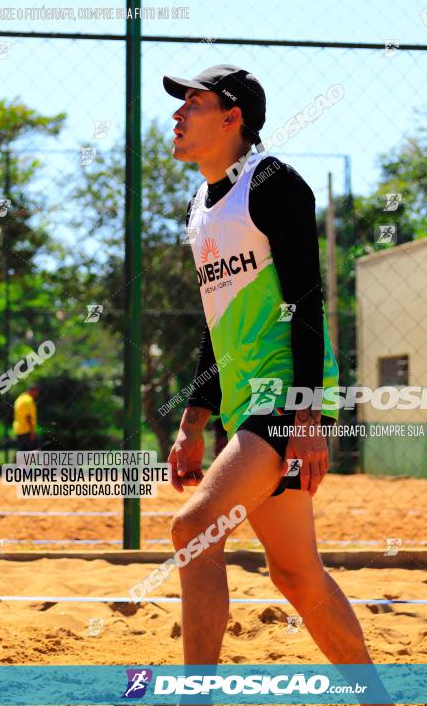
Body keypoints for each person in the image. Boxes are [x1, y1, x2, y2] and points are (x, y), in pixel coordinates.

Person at [162, 64, 393, 703]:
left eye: (194, 104)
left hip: (284, 395)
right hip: (246, 402)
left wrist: (308, 419)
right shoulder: (200, 205)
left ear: (233, 116)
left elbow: (307, 301)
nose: (178, 115)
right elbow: (218, 320)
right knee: (296, 574)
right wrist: (193, 420)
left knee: (193, 530)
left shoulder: (273, 184)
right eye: (179, 105)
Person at [13, 384, 40, 451]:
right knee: (37, 451)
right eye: (37, 392)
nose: (37, 394)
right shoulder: (28, 400)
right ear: (32, 391)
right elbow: (28, 417)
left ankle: (16, 460)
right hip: (27, 430)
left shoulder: (19, 399)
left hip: (18, 429)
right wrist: (32, 432)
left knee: (22, 451)